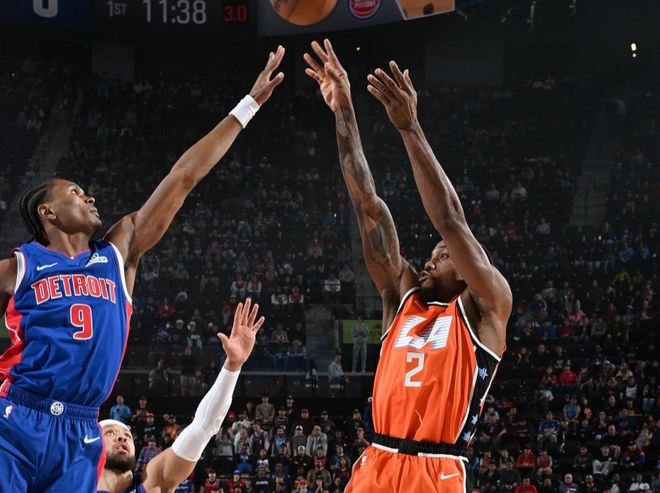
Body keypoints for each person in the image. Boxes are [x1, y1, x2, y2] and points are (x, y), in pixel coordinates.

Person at [0, 47, 284, 492]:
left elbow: (183, 177)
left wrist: (247, 106)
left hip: (81, 430)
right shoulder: (19, 267)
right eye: (74, 192)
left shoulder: (118, 253)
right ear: (47, 212)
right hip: (17, 416)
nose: (89, 197)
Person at [304, 39, 511, 492]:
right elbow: (367, 204)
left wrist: (409, 127)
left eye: (443, 256)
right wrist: (344, 109)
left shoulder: (486, 307)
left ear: (469, 269)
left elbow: (450, 220)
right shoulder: (403, 297)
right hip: (376, 462)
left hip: (435, 470)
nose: (429, 261)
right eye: (432, 255)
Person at [97, 299, 265, 493]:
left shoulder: (151, 483)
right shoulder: (73, 484)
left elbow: (203, 427)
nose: (122, 437)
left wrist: (232, 367)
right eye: (110, 433)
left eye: (127, 435)